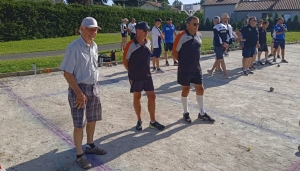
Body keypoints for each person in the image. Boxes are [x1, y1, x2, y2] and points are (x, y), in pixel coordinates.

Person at [59, 17, 106, 169]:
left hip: (94, 87)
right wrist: (78, 93)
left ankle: (90, 144)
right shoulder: (74, 47)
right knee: (79, 124)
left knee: (92, 119)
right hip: (79, 90)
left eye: (95, 30)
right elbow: (67, 73)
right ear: (82, 28)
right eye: (90, 29)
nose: (93, 32)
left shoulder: (94, 46)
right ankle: (80, 154)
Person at [123, 21, 165, 131]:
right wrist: (131, 72)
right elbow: (125, 60)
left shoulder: (148, 42)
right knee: (137, 97)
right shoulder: (130, 45)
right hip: (135, 76)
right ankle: (139, 120)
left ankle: (152, 121)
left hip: (147, 75)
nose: (147, 32)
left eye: (147, 30)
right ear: (137, 31)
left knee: (152, 96)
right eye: (144, 30)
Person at [172, 16, 215, 123]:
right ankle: (185, 112)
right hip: (185, 68)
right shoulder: (181, 36)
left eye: (198, 24)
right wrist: (183, 63)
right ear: (188, 25)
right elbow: (174, 53)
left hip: (196, 67)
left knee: (200, 88)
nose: (197, 26)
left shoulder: (199, 35)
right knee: (185, 89)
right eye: (194, 24)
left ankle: (202, 113)